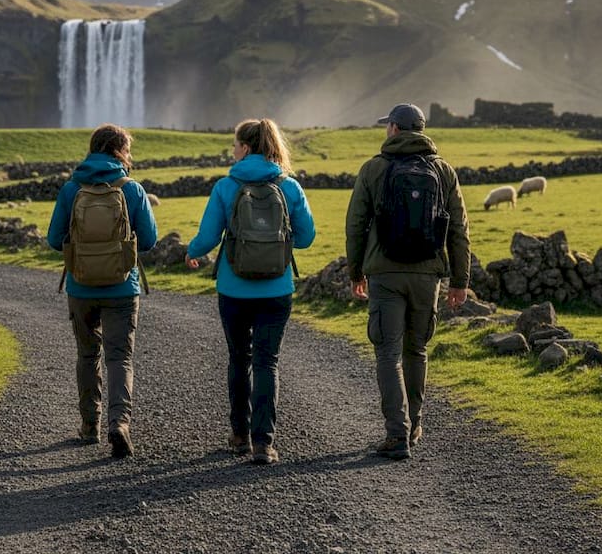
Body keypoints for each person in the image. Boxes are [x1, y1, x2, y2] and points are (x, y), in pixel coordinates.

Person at [185, 119, 316, 465]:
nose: (232, 150)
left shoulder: (226, 187)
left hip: (233, 288)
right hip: (277, 288)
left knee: (239, 359)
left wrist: (192, 252)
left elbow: (209, 236)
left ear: (244, 147)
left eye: (234, 145)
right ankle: (264, 443)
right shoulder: (289, 187)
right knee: (267, 362)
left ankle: (239, 435)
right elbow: (306, 238)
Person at [344, 103, 470, 460]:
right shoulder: (444, 171)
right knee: (417, 350)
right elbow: (459, 229)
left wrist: (356, 272)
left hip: (384, 275)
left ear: (395, 129)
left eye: (389, 126)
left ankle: (396, 434)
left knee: (387, 352)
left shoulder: (373, 169)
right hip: (427, 275)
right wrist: (460, 280)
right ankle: (414, 425)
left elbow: (355, 226)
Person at [47, 124, 158, 458]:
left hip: (81, 286)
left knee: (86, 354)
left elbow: (54, 240)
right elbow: (150, 241)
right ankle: (119, 425)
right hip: (123, 287)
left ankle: (88, 426)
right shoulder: (131, 188)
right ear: (122, 151)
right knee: (119, 356)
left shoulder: (71, 188)